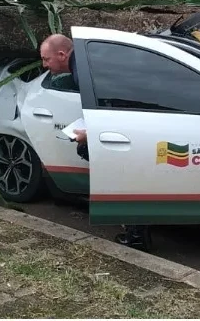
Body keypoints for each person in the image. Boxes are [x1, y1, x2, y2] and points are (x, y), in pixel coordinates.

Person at [39, 34, 153, 252]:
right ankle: (136, 232)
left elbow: (110, 109)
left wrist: (88, 135)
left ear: (62, 55)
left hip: (129, 129)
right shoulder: (88, 59)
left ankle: (137, 235)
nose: (45, 65)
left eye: (46, 59)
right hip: (135, 123)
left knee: (121, 177)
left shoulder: (83, 71)